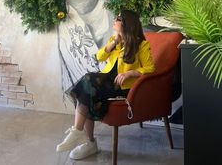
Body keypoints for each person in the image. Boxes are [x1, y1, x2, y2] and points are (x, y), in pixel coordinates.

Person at [56, 9, 155, 160]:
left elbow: (150, 68)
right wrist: (115, 42)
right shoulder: (114, 40)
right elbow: (99, 57)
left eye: (118, 18)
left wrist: (130, 73)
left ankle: (81, 135)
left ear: (127, 24)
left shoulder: (141, 45)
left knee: (87, 81)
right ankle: (84, 138)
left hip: (123, 87)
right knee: (86, 91)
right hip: (108, 81)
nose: (115, 20)